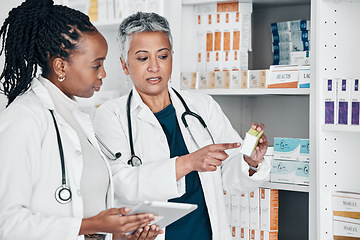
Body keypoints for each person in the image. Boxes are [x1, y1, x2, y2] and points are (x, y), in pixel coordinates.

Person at [93, 12, 271, 240]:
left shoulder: (202, 106)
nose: (154, 67)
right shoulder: (111, 115)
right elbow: (119, 184)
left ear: (172, 58)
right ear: (124, 65)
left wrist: (249, 161)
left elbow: (229, 175)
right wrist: (188, 162)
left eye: (163, 56)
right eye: (142, 58)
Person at [0, 1, 163, 240]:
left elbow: (85, 207)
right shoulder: (24, 117)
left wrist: (117, 235)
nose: (103, 74)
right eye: (96, 65)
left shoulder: (77, 117)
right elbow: (7, 223)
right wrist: (89, 225)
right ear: (60, 66)